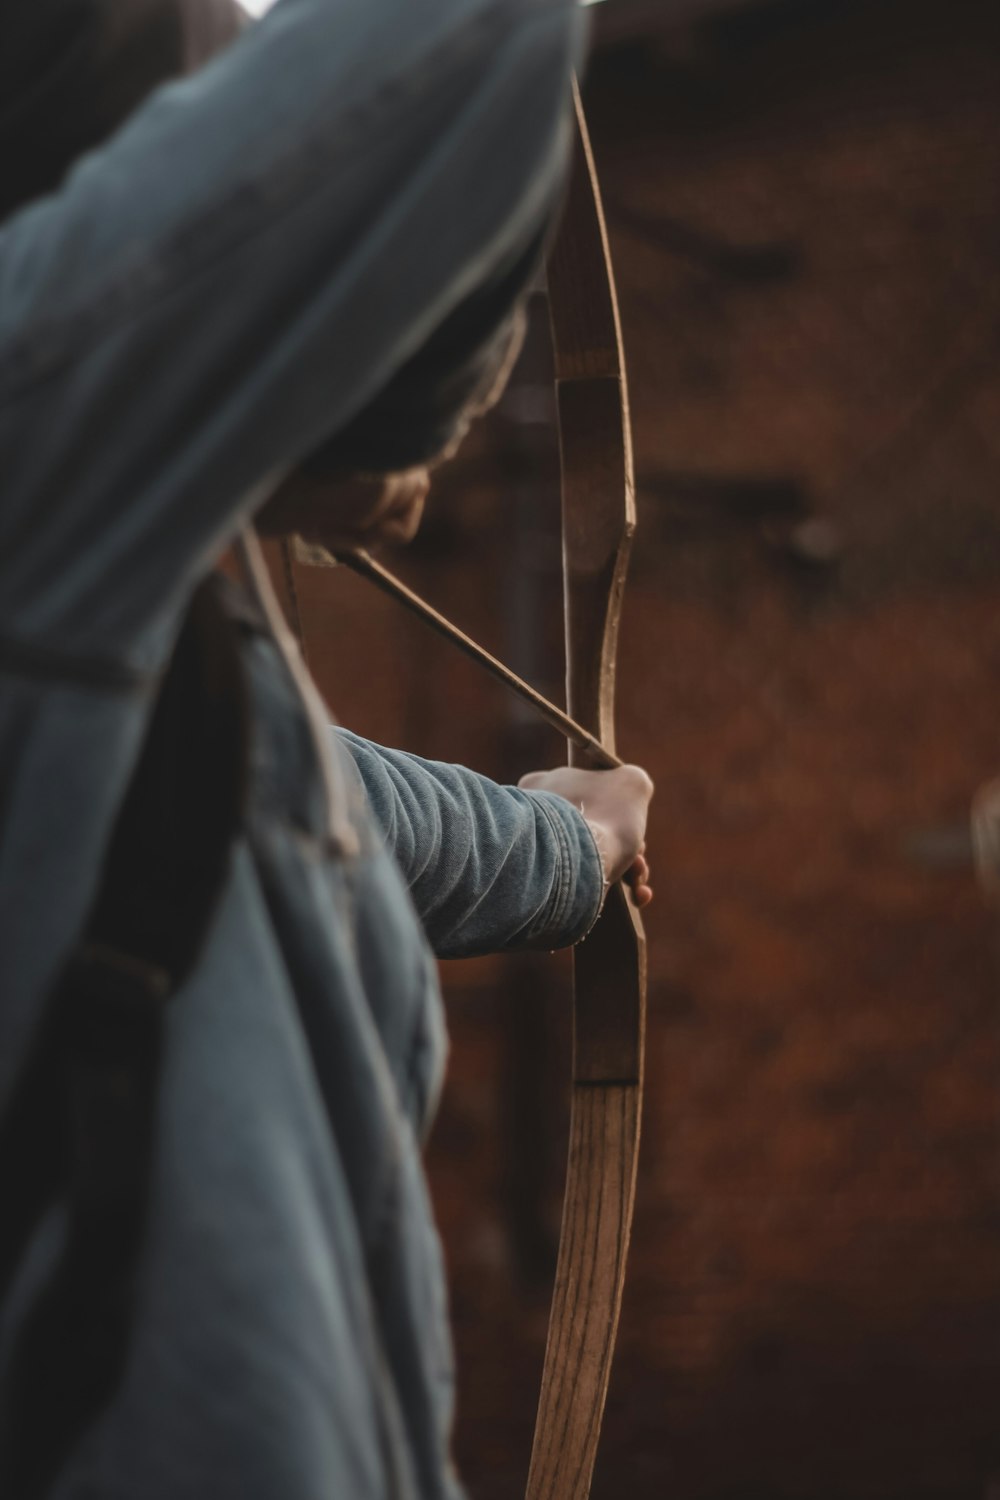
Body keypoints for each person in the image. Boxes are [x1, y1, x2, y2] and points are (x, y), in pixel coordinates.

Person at [0, 2, 653, 1497]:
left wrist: (580, 844)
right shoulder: (32, 449)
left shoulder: (100, 648)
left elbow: (325, 807)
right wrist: (363, 418)